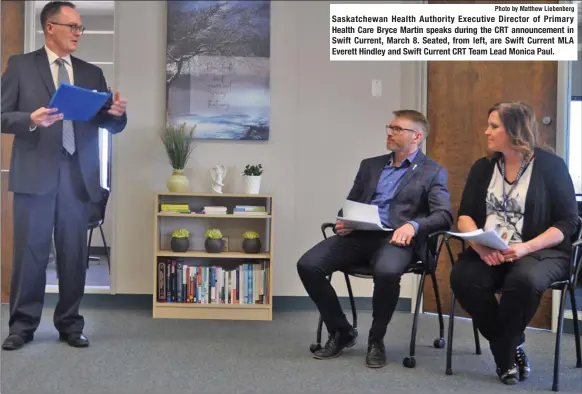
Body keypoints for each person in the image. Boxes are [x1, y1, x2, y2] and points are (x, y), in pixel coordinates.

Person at [1, 1, 128, 350]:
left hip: (78, 177)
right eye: (71, 26)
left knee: (73, 256)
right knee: (31, 255)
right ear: (49, 28)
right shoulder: (21, 66)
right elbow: (2, 116)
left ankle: (70, 324)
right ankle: (22, 327)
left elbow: (108, 124)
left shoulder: (91, 73)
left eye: (80, 28)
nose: (77, 33)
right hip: (34, 175)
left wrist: (116, 114)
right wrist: (30, 118)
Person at [296, 109, 453, 368]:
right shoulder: (370, 165)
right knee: (308, 265)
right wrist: (343, 220)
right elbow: (352, 203)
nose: (389, 133)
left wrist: (413, 226)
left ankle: (376, 339)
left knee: (387, 271)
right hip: (361, 234)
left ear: (417, 136)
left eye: (397, 129)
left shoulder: (433, 172)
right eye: (389, 128)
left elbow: (444, 216)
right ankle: (342, 331)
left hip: (397, 239)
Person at [449, 101, 579, 385]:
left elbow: (568, 223)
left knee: (524, 280)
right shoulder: (483, 167)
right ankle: (511, 345)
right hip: (490, 249)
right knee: (463, 278)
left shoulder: (551, 166)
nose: (486, 132)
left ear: (515, 129)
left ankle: (503, 356)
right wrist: (480, 247)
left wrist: (525, 247)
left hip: (541, 251)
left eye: (494, 126)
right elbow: (465, 216)